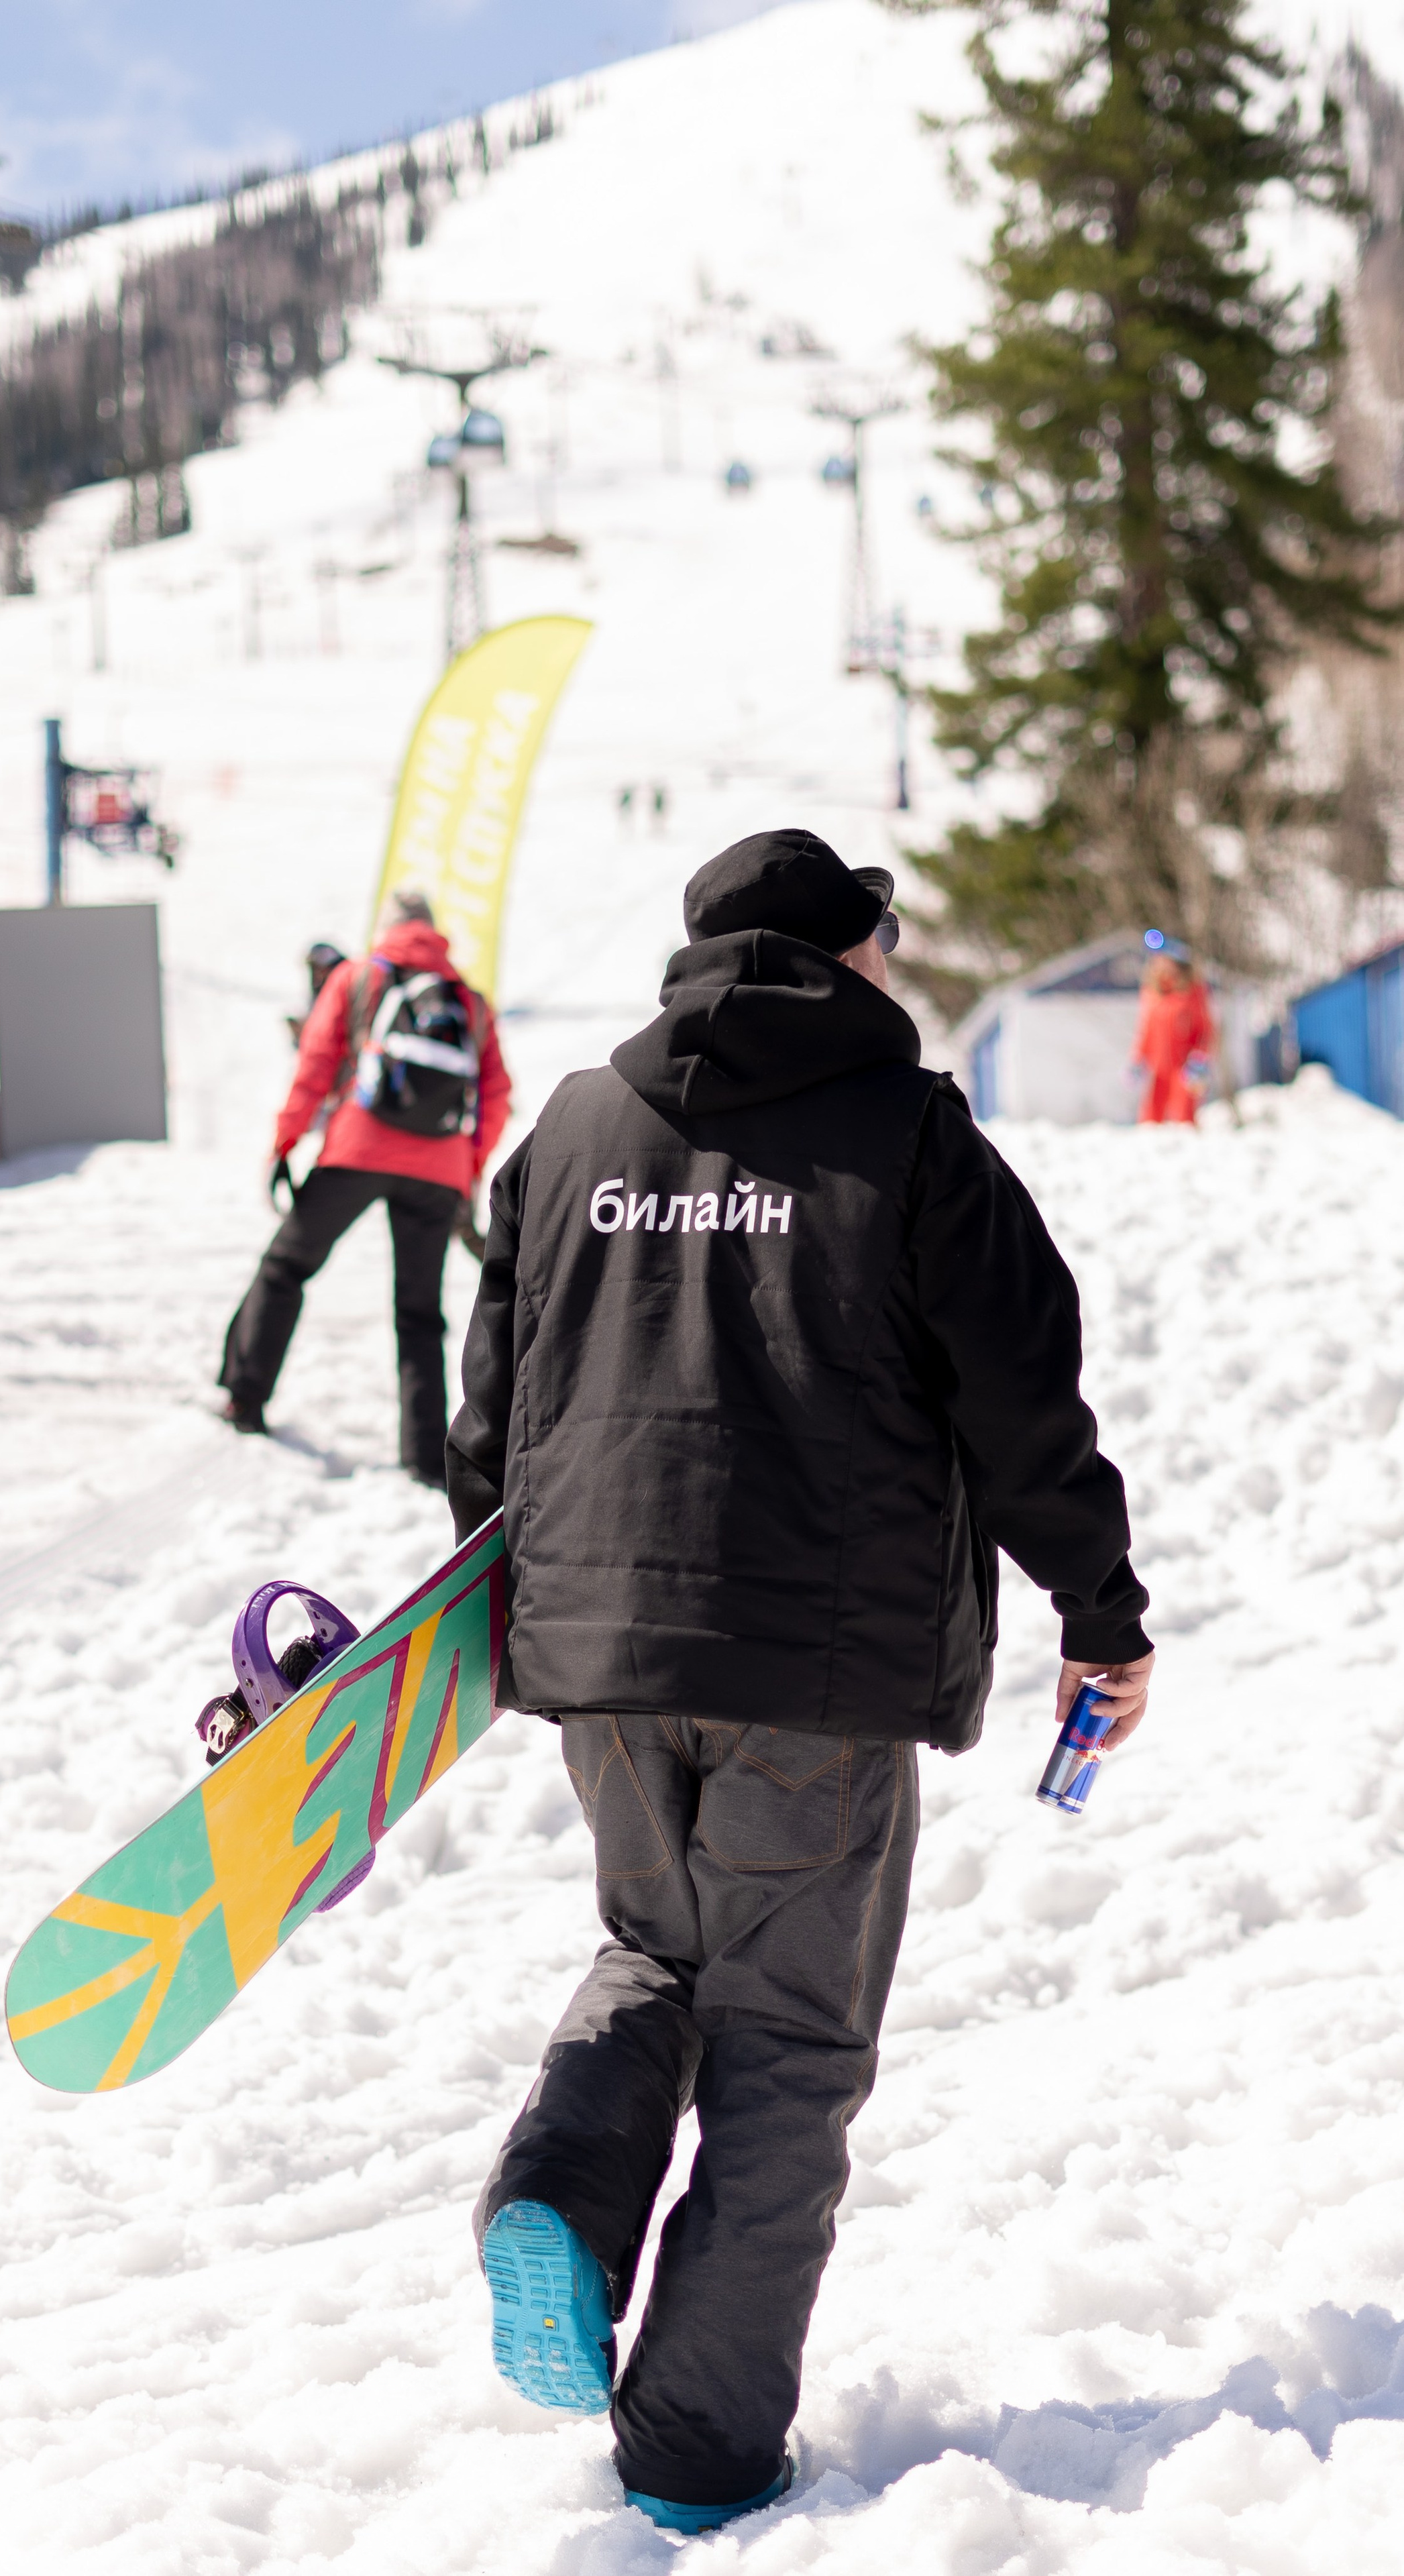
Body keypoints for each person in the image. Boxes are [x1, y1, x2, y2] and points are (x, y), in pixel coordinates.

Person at [445, 828, 1154, 2535]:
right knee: (785, 2044)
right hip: (812, 1668)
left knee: (653, 1950)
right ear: (843, 955)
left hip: (601, 1657)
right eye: (881, 941)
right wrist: (1098, 1607)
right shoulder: (908, 1135)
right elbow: (1019, 1395)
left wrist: (524, 1614)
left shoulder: (571, 1133)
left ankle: (560, 2197)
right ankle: (697, 2447)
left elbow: (484, 1414)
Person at [219, 890, 511, 1485]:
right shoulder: (471, 1001)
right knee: (419, 1312)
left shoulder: (357, 978)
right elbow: (496, 1095)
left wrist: (285, 1142)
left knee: (286, 1268)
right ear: (433, 932)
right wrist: (468, 1168)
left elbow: (315, 1064)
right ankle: (425, 1457)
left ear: (388, 928)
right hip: (440, 1168)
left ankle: (245, 1396)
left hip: (357, 1149)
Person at [1133, 945, 1215, 1124]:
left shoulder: (1193, 992)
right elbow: (1146, 1031)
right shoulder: (1151, 993)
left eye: (1167, 962)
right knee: (1150, 1117)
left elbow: (1205, 1029)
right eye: (1158, 962)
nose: (1162, 967)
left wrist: (1200, 1057)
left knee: (1184, 1116)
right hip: (1158, 1067)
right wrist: (1138, 1060)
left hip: (1184, 1066)